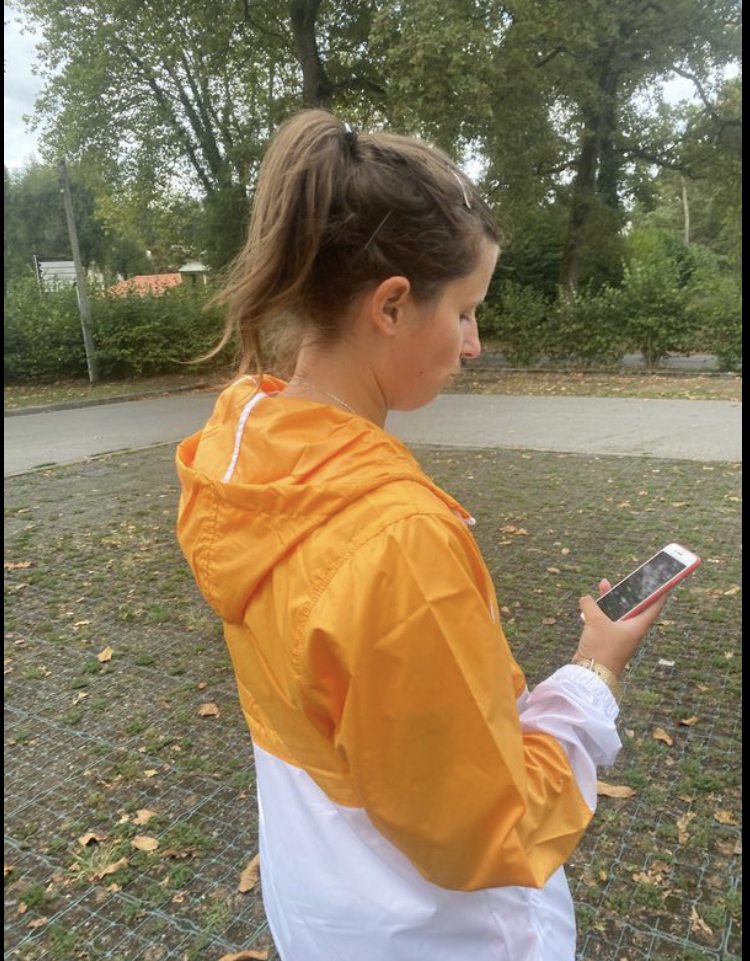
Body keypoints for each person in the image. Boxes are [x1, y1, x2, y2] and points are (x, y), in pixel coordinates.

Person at [176, 110, 666, 961]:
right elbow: (490, 825)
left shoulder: (240, 450)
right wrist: (594, 672)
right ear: (393, 306)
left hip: (322, 912)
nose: (474, 344)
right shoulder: (396, 541)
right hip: (436, 935)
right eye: (467, 311)